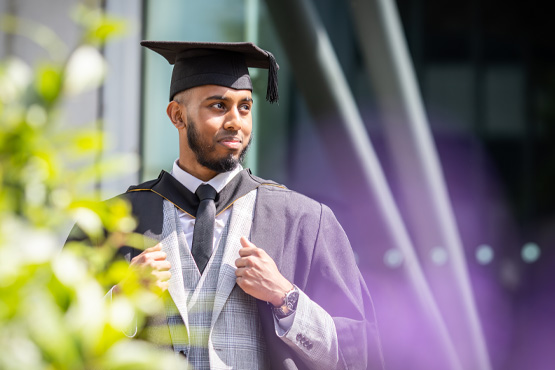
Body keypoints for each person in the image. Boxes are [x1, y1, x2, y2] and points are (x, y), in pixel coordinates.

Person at [84, 41, 383, 369]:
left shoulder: (305, 222)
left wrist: (287, 299)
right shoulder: (112, 222)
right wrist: (121, 298)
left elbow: (364, 354)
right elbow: (52, 342)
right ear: (178, 116)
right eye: (218, 106)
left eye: (245, 107)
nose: (235, 122)